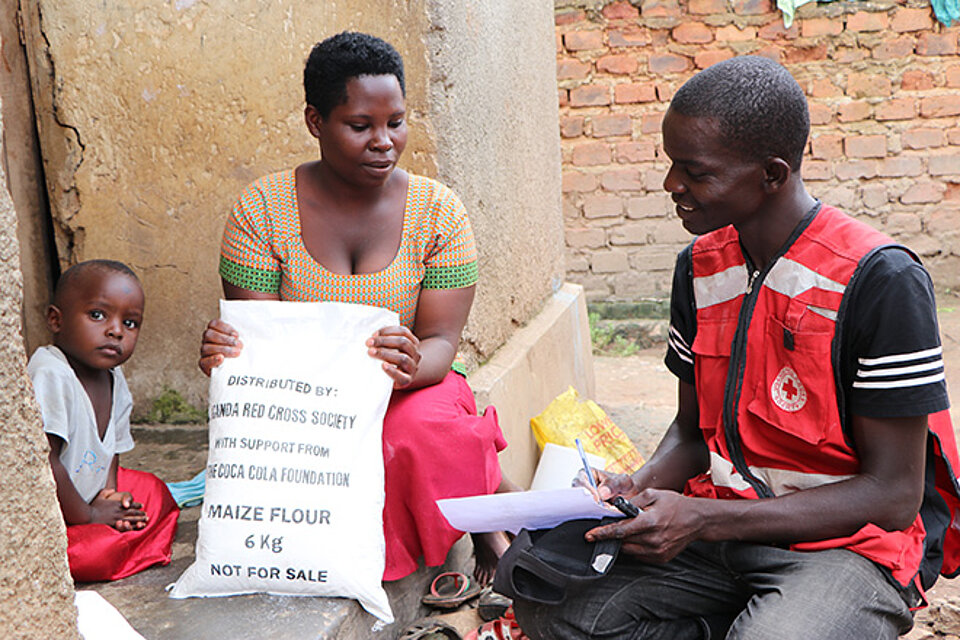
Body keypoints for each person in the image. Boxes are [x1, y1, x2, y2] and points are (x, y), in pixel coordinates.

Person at [513, 55, 960, 639]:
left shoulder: (879, 279)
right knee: (551, 605)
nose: (672, 185)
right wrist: (639, 486)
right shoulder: (699, 267)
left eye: (694, 171)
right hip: (721, 528)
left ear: (772, 175)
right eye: (672, 165)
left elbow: (894, 495)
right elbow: (691, 432)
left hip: (847, 548)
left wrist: (705, 519)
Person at [199, 31, 515, 583]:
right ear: (315, 121)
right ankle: (491, 509)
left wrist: (410, 364)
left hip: (406, 388)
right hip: (304, 401)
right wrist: (230, 353)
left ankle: (479, 524)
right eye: (360, 125)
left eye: (396, 122)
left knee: (420, 432)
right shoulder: (260, 213)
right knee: (338, 458)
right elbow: (262, 344)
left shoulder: (438, 212)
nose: (384, 142)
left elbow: (442, 342)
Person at [28, 259, 179, 582]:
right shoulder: (50, 372)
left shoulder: (113, 376)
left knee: (156, 492)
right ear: (56, 320)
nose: (115, 331)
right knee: (93, 554)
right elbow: (45, 461)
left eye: (131, 323)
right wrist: (90, 515)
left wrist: (109, 496)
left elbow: (112, 450)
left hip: (89, 496)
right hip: (54, 512)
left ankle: (119, 538)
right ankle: (122, 546)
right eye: (98, 315)